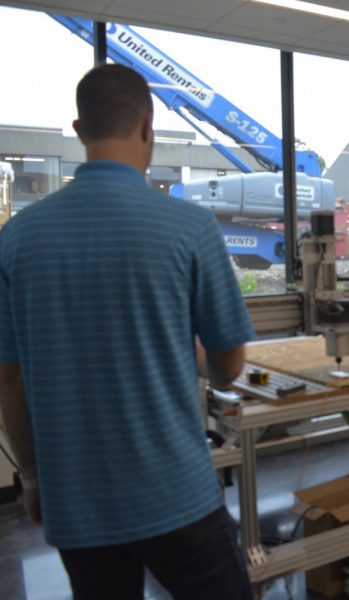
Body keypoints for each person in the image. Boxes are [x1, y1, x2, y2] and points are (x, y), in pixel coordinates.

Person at [0, 64, 256, 599]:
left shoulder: (17, 239)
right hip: (178, 496)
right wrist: (193, 356)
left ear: (79, 130)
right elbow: (230, 367)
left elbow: (9, 381)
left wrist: (31, 479)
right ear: (148, 127)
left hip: (77, 502)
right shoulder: (191, 227)